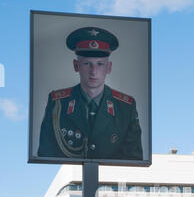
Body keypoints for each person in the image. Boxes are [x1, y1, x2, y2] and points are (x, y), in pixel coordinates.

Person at [38, 27, 143, 161]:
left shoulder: (126, 107)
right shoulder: (57, 102)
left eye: (100, 64)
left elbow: (133, 159)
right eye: (87, 64)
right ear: (76, 66)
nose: (93, 71)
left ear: (109, 67)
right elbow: (46, 154)